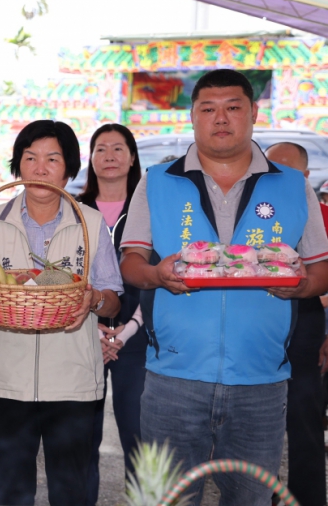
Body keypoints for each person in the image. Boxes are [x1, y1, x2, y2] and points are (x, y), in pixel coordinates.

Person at [119, 69, 328, 506]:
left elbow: (321, 269)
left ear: (252, 113)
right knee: (166, 499)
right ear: (192, 117)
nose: (221, 119)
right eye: (208, 109)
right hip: (173, 378)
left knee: (249, 499)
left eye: (233, 107)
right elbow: (132, 263)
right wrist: (157, 276)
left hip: (263, 380)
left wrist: (302, 286)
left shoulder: (292, 186)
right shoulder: (156, 181)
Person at [0, 120, 123, 505]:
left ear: (69, 169)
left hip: (73, 381)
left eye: (52, 158)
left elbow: (113, 299)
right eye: (30, 158)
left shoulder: (91, 223)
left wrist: (94, 298)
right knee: (14, 490)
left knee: (71, 489)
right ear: (18, 165)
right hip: (7, 378)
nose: (40, 168)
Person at [76, 123, 146, 505]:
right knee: (83, 435)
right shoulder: (74, 208)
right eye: (101, 149)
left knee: (138, 434)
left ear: (132, 157)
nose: (110, 156)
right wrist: (95, 330)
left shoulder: (148, 206)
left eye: (118, 148)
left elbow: (154, 278)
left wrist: (126, 332)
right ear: (91, 158)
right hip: (82, 334)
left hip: (138, 338)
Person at [265, 141, 327, 506]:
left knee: (304, 422)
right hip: (261, 324)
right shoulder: (257, 212)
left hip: (305, 321)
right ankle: (263, 495)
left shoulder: (321, 214)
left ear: (305, 177)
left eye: (289, 173)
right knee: (260, 422)